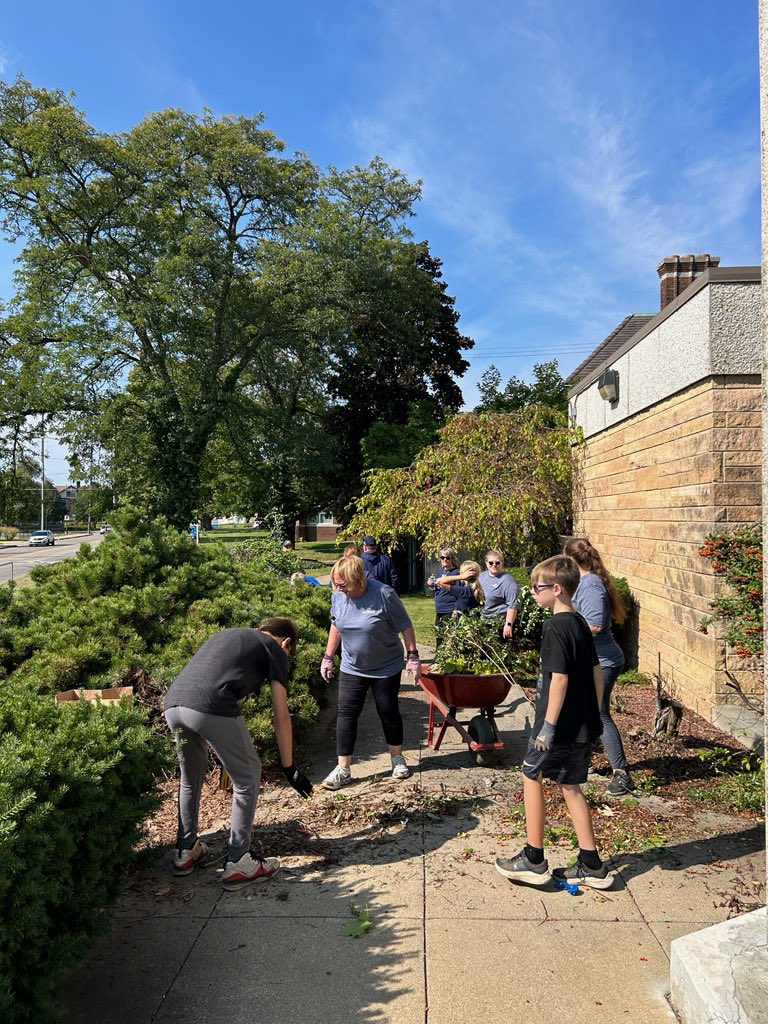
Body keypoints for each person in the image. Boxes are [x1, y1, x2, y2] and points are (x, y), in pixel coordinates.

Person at [163, 619, 312, 891]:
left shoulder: (232, 636)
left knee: (190, 776)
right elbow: (280, 713)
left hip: (173, 705)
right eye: (290, 653)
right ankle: (239, 861)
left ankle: (185, 851)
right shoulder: (274, 648)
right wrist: (289, 767)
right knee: (248, 776)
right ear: (287, 642)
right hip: (210, 704)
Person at [494, 555, 614, 890]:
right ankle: (592, 864)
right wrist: (596, 713)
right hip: (582, 724)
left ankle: (533, 859)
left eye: (538, 587)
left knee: (530, 774)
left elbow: (559, 679)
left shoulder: (555, 626)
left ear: (557, 589)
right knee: (570, 786)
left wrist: (547, 727)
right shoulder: (579, 623)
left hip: (557, 727)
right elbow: (596, 673)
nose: (533, 592)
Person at [320, 555, 421, 789]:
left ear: (358, 579)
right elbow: (336, 625)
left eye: (343, 584)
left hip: (385, 666)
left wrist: (413, 656)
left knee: (387, 710)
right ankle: (343, 769)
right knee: (346, 713)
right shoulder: (338, 596)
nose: (338, 589)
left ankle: (397, 758)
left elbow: (405, 625)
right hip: (352, 666)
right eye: (336, 584)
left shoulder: (384, 594)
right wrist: (328, 656)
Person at [564, 537, 635, 796]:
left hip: (603, 661)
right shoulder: (582, 582)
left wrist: (567, 631)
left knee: (599, 713)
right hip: (590, 660)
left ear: (569, 558)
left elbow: (595, 624)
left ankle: (622, 774)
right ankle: (585, 760)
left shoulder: (591, 584)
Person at [479, 550, 519, 638]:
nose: (494, 565)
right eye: (491, 563)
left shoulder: (508, 581)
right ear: (486, 563)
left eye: (497, 563)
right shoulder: (481, 576)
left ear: (502, 563)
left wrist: (508, 624)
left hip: (497, 623)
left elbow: (513, 605)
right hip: (481, 621)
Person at [427, 547, 461, 625]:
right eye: (442, 557)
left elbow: (459, 592)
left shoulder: (456, 573)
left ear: (452, 559)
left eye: (447, 558)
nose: (445, 560)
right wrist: (431, 584)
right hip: (439, 608)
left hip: (449, 609)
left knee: (447, 631)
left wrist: (455, 609)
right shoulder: (440, 571)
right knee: (438, 631)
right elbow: (438, 589)